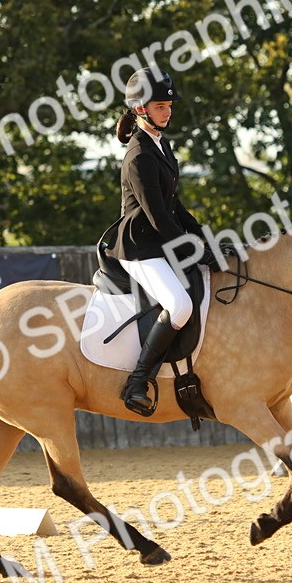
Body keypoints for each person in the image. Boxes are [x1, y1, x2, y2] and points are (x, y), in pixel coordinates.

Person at [105, 66, 218, 416]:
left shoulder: (161, 145)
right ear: (141, 109)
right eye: (159, 106)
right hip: (140, 248)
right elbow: (157, 217)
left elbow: (175, 206)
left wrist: (204, 237)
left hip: (159, 243)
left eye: (169, 106)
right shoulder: (138, 155)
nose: (167, 111)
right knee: (180, 305)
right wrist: (192, 249)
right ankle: (138, 381)